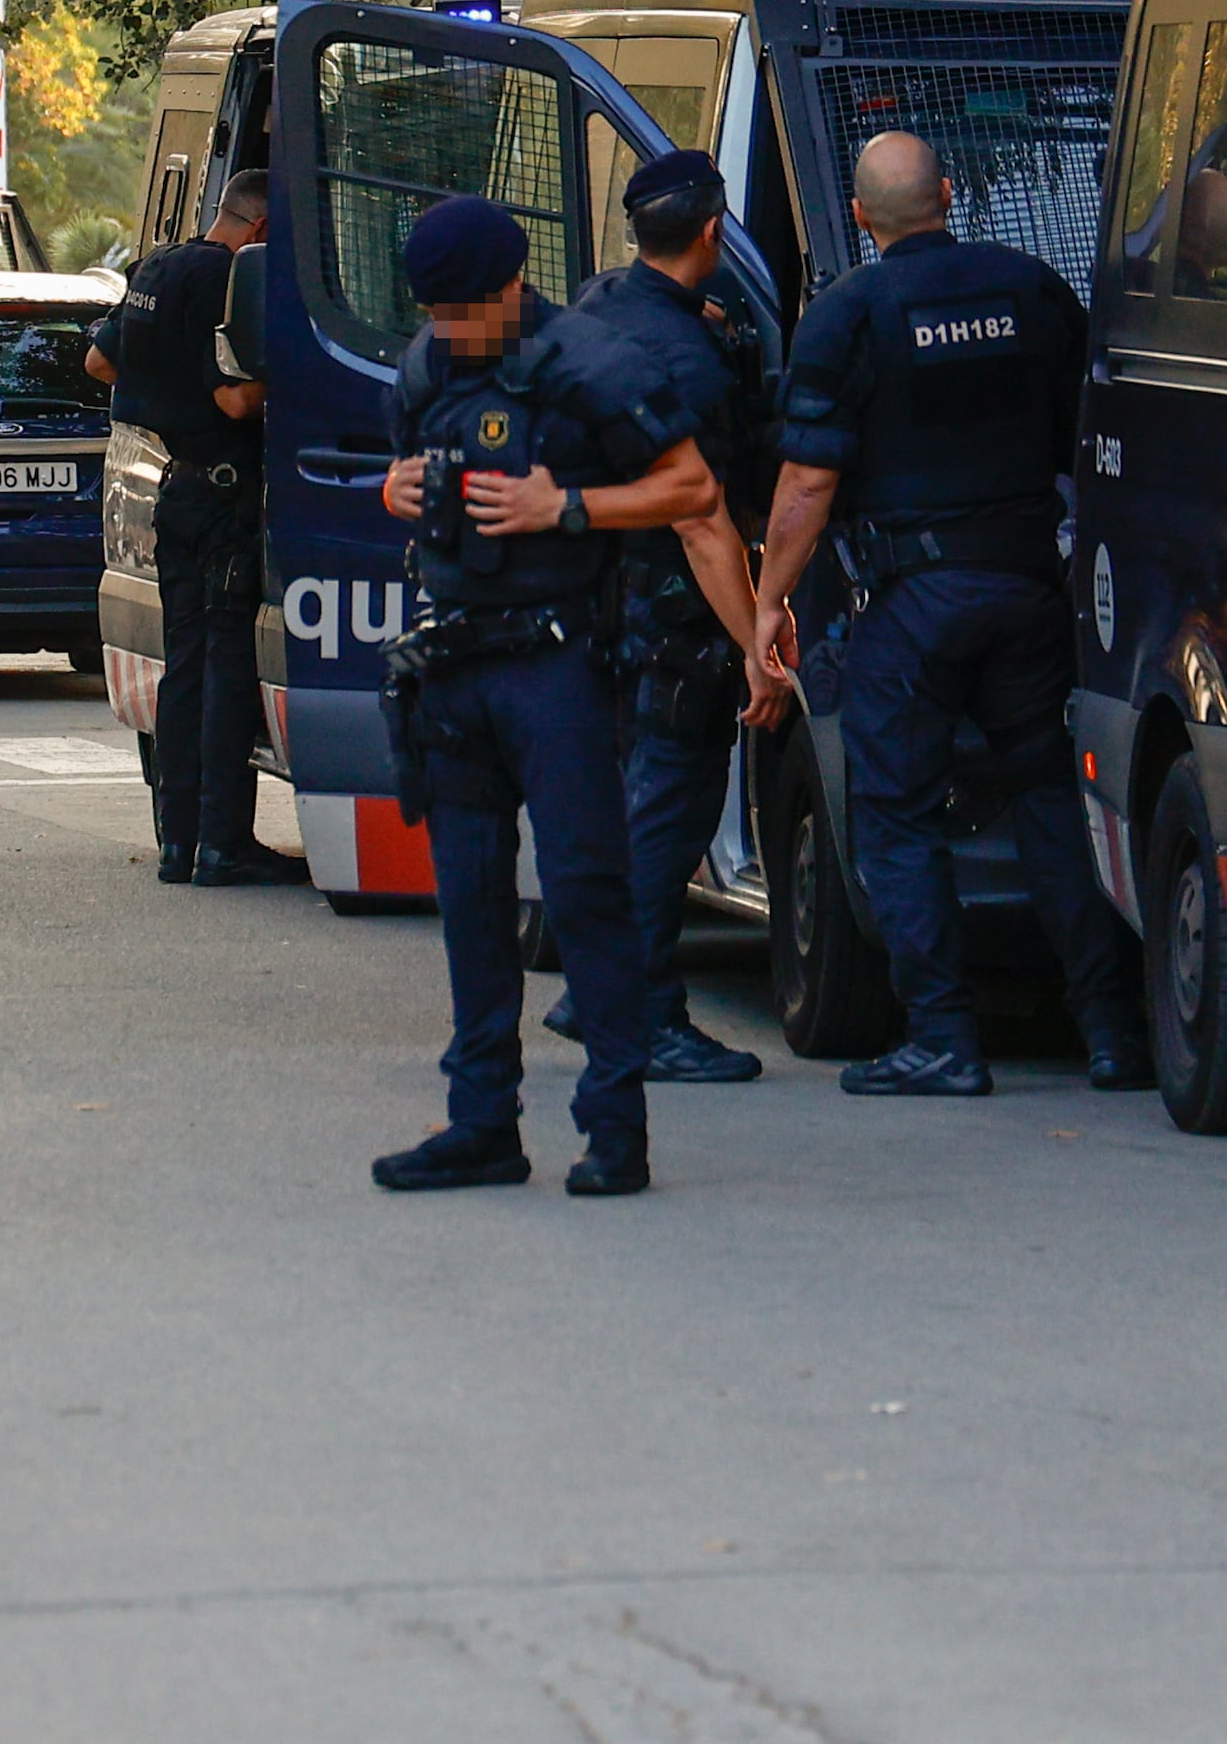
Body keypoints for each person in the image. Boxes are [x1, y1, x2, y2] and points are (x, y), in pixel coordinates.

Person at [752, 132, 1149, 1098]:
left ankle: (940, 1036)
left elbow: (808, 480)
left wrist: (769, 602)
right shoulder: (1030, 287)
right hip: (1026, 590)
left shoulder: (848, 314)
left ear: (859, 217)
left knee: (897, 816)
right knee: (1054, 802)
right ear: (951, 193)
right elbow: (1090, 436)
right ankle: (1110, 1030)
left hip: (913, 607)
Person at [366, 195, 727, 1199]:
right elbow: (407, 481)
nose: (448, 332)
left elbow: (691, 492)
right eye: (434, 312)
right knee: (469, 904)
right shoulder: (425, 363)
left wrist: (560, 505)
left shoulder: (591, 364)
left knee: (583, 894)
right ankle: (481, 1123)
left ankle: (614, 1128)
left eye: (463, 311)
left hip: (558, 663)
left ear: (510, 286)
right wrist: (393, 491)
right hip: (451, 666)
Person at [552, 149, 784, 1084]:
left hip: (590, 597)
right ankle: (636, 1009)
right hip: (667, 609)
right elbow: (700, 520)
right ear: (713, 233)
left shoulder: (599, 303)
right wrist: (755, 643)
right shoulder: (687, 354)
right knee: (673, 804)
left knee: (621, 802)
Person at [97, 168, 300, 885]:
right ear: (264, 232)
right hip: (224, 495)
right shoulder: (225, 280)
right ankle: (223, 843)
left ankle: (176, 841)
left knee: (183, 670)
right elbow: (238, 402)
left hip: (174, 489)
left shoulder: (158, 263)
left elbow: (99, 360)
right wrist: (300, 374)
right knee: (226, 669)